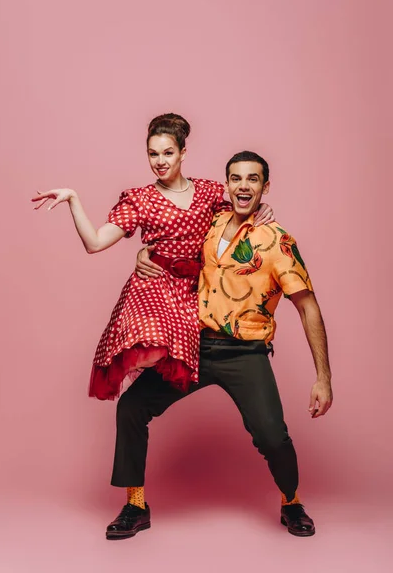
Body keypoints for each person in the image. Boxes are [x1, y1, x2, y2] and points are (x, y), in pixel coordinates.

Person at [108, 150, 332, 540]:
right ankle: (135, 505)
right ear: (226, 184)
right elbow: (172, 242)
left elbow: (307, 306)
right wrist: (145, 253)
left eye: (253, 179)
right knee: (131, 407)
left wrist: (323, 378)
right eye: (236, 178)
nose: (244, 186)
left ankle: (291, 501)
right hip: (193, 345)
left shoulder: (277, 241)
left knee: (271, 436)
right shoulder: (209, 224)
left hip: (245, 353)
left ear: (265, 186)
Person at [31, 114, 274, 400]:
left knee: (192, 360)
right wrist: (73, 198)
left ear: (183, 153)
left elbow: (234, 217)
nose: (160, 161)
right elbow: (94, 243)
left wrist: (261, 208)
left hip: (194, 293)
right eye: (153, 154)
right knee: (151, 336)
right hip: (154, 285)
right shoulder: (141, 199)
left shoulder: (209, 192)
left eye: (168, 153)